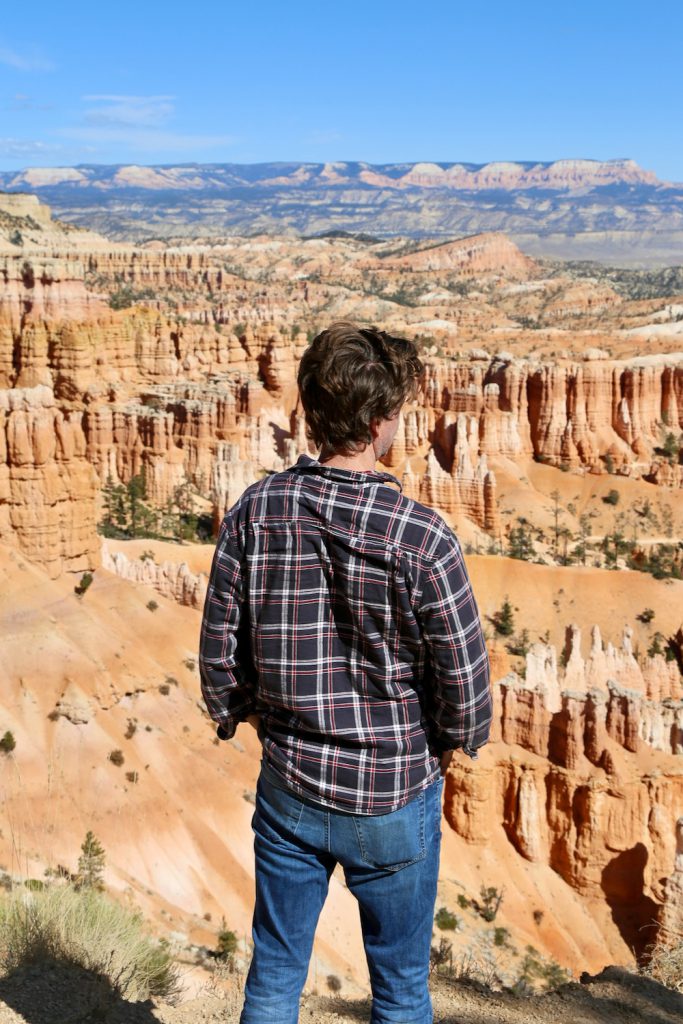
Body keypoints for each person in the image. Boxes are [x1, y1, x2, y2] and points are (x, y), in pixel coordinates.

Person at [199, 321, 492, 1024]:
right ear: (380, 422)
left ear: (311, 409)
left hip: (291, 786)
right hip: (393, 793)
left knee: (273, 978)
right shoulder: (421, 537)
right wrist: (455, 740)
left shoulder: (254, 511)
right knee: (398, 994)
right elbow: (464, 680)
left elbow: (219, 649)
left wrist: (238, 712)